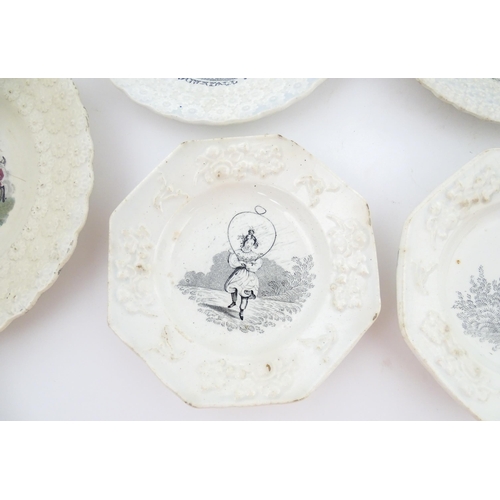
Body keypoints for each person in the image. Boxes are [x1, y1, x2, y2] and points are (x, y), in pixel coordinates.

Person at [224, 229, 263, 320]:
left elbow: (257, 265)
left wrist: (249, 266)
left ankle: (242, 311)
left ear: (254, 245)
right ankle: (234, 302)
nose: (249, 245)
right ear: (244, 242)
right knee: (233, 287)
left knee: (245, 293)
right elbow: (232, 261)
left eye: (251, 243)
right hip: (238, 274)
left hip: (249, 277)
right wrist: (239, 264)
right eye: (248, 242)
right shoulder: (237, 252)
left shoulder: (254, 255)